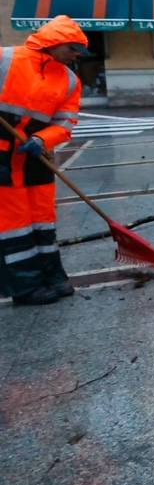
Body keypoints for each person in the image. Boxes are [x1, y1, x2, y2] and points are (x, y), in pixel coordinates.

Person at [1, 15, 86, 305]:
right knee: (14, 223)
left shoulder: (70, 80)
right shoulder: (5, 58)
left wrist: (43, 139)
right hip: (2, 157)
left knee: (42, 219)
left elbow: (65, 122)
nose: (77, 55)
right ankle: (25, 287)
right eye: (74, 48)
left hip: (35, 155)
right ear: (56, 42)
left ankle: (52, 276)